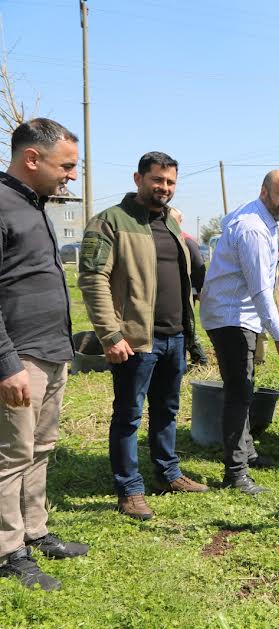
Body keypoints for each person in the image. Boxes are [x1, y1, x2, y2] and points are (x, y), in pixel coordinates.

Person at [79, 152, 207, 521]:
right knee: (129, 415)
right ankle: (129, 489)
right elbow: (92, 278)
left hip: (174, 336)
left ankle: (168, 475)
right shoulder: (110, 222)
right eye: (157, 180)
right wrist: (110, 333)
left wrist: (189, 331)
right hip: (134, 340)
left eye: (170, 182)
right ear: (138, 179)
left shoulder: (170, 224)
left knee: (167, 410)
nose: (164, 188)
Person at [0, 118, 88, 591]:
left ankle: (35, 531)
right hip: (19, 357)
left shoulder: (34, 205)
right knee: (10, 455)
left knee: (39, 449)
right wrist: (6, 363)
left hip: (52, 351)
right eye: (67, 166)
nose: (71, 176)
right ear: (32, 158)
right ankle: (7, 550)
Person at [199, 170, 279, 495]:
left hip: (240, 313)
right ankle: (235, 472)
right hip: (231, 316)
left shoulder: (263, 219)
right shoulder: (253, 229)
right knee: (239, 392)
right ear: (265, 191)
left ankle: (247, 452)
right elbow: (260, 292)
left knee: (243, 386)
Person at [168, 207, 208, 368]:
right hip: (171, 292)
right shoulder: (167, 237)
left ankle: (200, 358)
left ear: (180, 221)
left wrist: (198, 290)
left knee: (186, 323)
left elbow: (199, 267)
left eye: (173, 219)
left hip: (187, 291)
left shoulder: (187, 240)